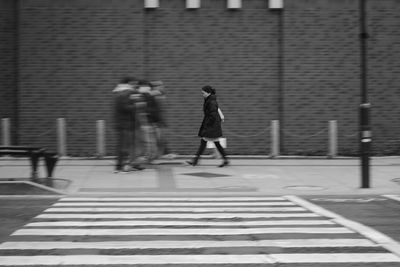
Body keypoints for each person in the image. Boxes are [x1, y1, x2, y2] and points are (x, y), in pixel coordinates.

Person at [186, 85, 229, 167]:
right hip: (212, 126)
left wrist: (207, 124)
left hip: (211, 126)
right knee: (214, 143)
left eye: (203, 93)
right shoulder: (209, 100)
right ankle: (225, 160)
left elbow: (212, 115)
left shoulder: (211, 101)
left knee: (204, 143)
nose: (202, 95)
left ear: (208, 93)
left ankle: (195, 161)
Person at [112, 77, 144, 172]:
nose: (134, 86)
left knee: (125, 146)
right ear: (128, 83)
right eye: (133, 83)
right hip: (125, 124)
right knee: (123, 146)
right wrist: (136, 105)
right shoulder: (124, 94)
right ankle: (120, 166)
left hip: (125, 124)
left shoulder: (121, 93)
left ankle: (124, 165)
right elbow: (125, 107)